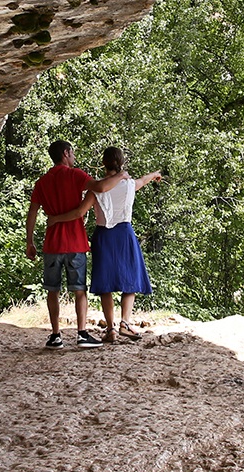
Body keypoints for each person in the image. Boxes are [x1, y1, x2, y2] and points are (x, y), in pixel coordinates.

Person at [49, 145, 162, 342]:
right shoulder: (129, 184)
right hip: (125, 234)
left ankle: (110, 329)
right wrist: (155, 174)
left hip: (103, 236)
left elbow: (78, 213)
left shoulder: (96, 189)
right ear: (122, 163)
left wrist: (56, 219)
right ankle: (125, 323)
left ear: (104, 163)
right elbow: (143, 180)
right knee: (131, 280)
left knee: (106, 283)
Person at [25, 139, 102, 349]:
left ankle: (55, 335)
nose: (74, 157)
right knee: (79, 290)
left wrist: (29, 241)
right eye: (73, 153)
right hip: (75, 241)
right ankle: (82, 333)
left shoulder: (42, 182)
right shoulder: (76, 175)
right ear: (66, 153)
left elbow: (32, 213)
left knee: (53, 290)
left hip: (52, 244)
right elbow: (99, 187)